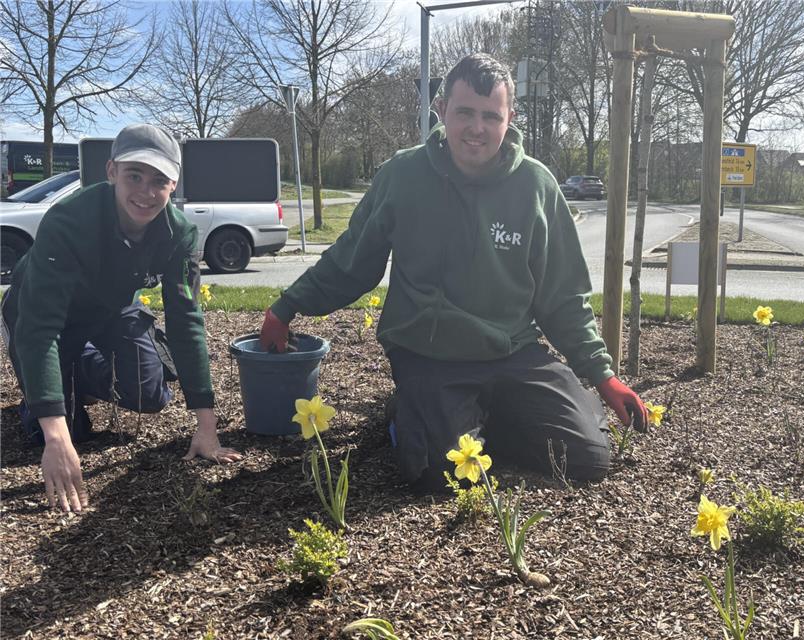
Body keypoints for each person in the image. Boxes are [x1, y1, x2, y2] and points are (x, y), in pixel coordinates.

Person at [259, 54, 647, 487]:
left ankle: (473, 417)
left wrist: (603, 375)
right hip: (430, 351)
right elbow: (352, 261)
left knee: (589, 459)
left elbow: (562, 298)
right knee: (445, 475)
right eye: (464, 112)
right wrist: (286, 308)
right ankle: (413, 409)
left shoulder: (537, 186)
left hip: (512, 351)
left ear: (509, 117)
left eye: (490, 115)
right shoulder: (402, 176)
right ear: (441, 110)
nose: (476, 128)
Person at [1, 123, 241, 513]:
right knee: (61, 431)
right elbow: (40, 327)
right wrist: (56, 435)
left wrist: (207, 426)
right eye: (135, 176)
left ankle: (72, 374)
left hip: (111, 307)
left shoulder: (179, 235)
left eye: (159, 181)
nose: (146, 193)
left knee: (151, 395)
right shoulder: (68, 220)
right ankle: (50, 392)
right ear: (112, 172)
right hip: (38, 311)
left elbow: (187, 321)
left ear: (173, 186)